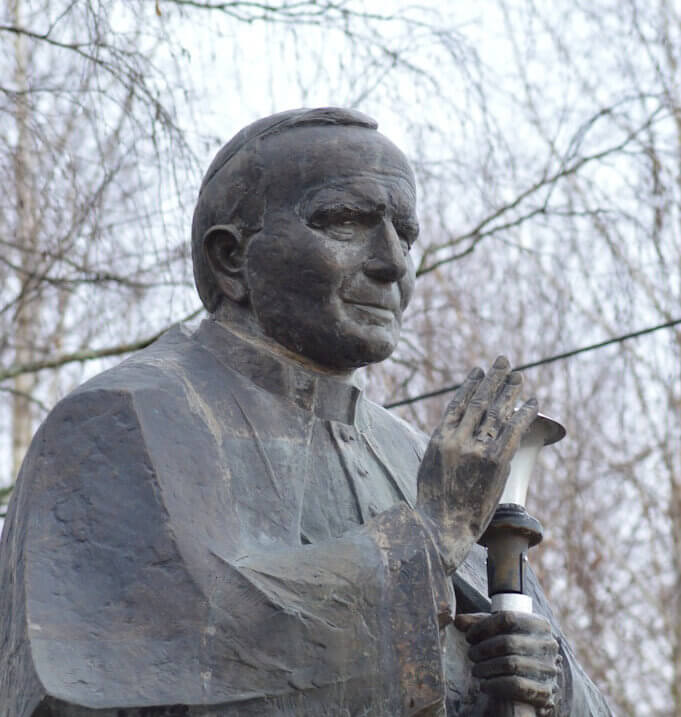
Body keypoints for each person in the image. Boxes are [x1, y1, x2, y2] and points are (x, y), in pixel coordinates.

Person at [0, 108, 611, 716]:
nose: (393, 263)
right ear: (231, 259)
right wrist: (428, 538)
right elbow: (170, 655)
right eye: (344, 222)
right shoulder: (124, 416)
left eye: (405, 235)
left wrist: (548, 681)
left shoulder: (416, 457)